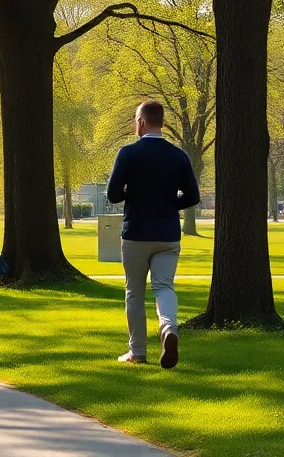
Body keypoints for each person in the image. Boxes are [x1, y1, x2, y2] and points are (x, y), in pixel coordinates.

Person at [107, 100, 201, 369]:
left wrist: (132, 194)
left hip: (136, 232)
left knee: (134, 292)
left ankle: (137, 351)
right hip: (167, 233)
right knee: (164, 286)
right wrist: (169, 204)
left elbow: (113, 195)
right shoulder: (178, 155)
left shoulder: (128, 153)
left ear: (142, 122)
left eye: (135, 119)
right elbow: (192, 196)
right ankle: (168, 328)